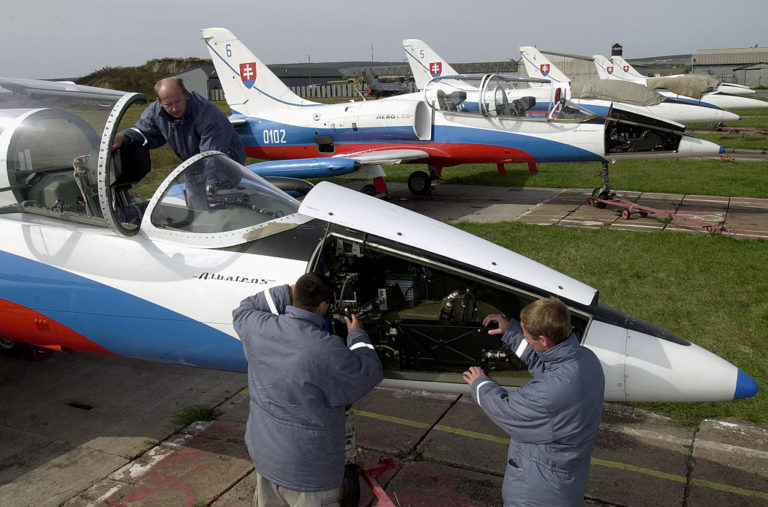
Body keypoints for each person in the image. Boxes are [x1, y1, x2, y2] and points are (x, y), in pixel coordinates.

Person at [232, 272, 383, 507]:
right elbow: (369, 372)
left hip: (266, 459)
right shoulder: (326, 350)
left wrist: (287, 291)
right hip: (310, 474)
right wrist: (357, 335)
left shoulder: (258, 327)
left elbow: (244, 308)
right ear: (323, 306)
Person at [463, 297, 605, 507]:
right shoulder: (586, 359)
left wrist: (480, 384)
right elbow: (546, 365)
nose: (526, 341)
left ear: (544, 339)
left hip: (537, 493)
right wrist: (510, 331)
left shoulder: (547, 393)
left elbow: (507, 410)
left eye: (528, 338)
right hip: (567, 483)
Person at [113, 77, 246, 209]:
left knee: (222, 209)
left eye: (178, 102)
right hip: (193, 167)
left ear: (186, 95)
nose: (175, 108)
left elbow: (212, 155)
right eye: (168, 104)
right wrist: (124, 136)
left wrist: (213, 186)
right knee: (198, 212)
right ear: (159, 102)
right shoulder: (156, 112)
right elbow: (143, 130)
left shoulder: (207, 114)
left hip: (224, 166)